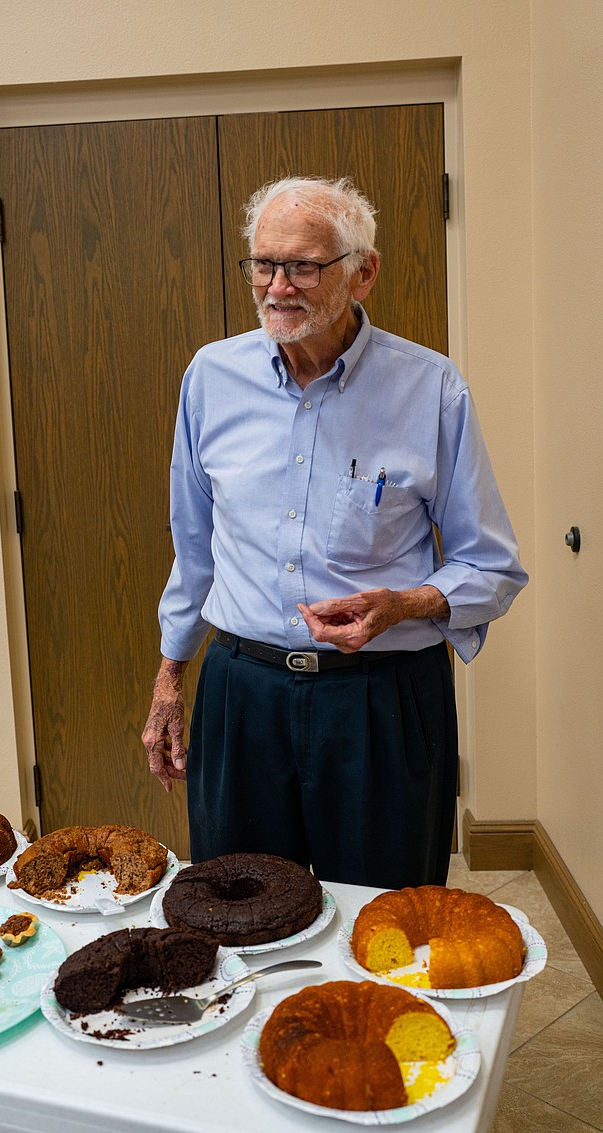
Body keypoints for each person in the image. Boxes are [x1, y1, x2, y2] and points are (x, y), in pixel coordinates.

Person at [141, 175, 527, 891]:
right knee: (235, 914)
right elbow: (194, 550)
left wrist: (406, 604)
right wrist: (170, 678)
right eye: (263, 264)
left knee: (387, 915)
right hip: (242, 695)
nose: (277, 287)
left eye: (303, 266)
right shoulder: (211, 377)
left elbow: (491, 566)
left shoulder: (431, 388)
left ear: (363, 271)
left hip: (380, 702)